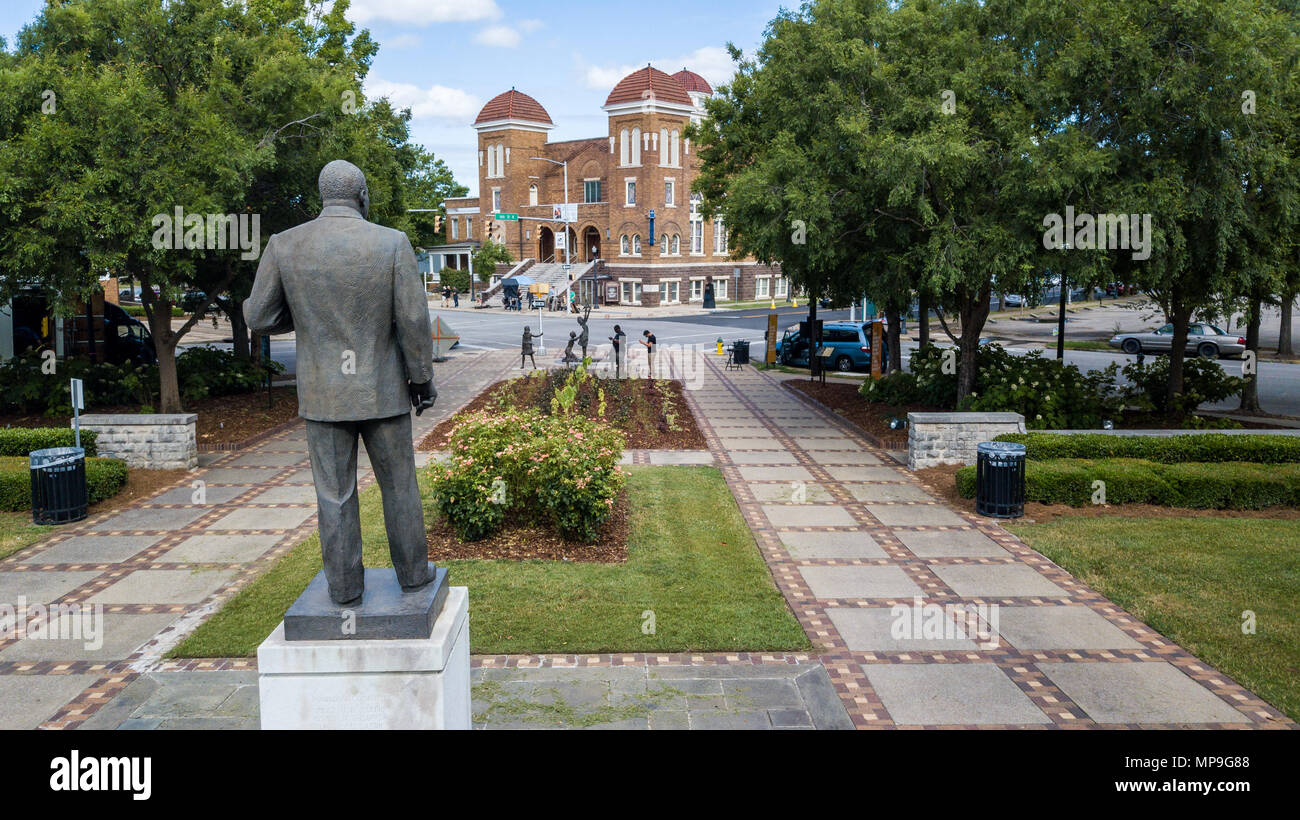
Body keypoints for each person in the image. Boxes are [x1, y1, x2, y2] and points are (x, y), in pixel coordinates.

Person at [244, 159, 436, 605]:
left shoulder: (285, 244)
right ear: (363, 195)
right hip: (383, 392)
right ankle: (412, 574)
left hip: (324, 395)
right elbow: (413, 319)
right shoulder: (391, 243)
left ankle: (345, 587)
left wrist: (304, 317)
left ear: (322, 197)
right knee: (399, 486)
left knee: (334, 494)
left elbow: (259, 316)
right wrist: (422, 380)